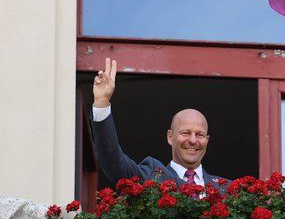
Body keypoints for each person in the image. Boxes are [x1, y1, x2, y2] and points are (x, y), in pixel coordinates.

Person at [90, 57, 229, 190]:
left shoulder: (228, 190)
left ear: (207, 140)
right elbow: (112, 161)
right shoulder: (151, 177)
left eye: (199, 135)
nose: (193, 140)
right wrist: (102, 102)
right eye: (185, 133)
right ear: (170, 137)